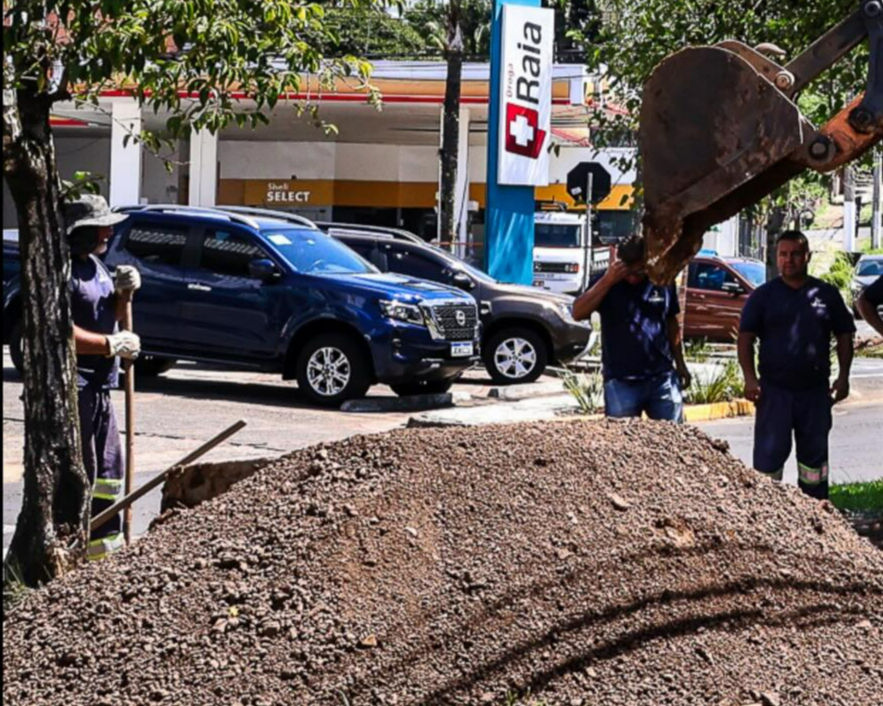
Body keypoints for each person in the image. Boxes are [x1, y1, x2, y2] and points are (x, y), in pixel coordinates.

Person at [738, 230, 854, 500]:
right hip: (773, 394)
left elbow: (845, 334)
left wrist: (844, 376)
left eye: (795, 254)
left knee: (813, 466)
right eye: (783, 254)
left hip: (814, 395)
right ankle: (767, 516)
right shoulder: (763, 296)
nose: (789, 260)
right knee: (767, 466)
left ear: (807, 257)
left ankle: (815, 516)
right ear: (777, 258)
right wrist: (749, 378)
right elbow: (745, 339)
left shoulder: (825, 294)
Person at [65, 194, 142, 560]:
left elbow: (111, 311)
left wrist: (125, 293)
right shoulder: (61, 273)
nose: (109, 232)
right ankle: (79, 556)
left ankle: (106, 559)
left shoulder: (95, 265)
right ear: (81, 231)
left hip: (101, 388)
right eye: (102, 227)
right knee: (86, 474)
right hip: (76, 388)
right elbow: (62, 333)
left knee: (110, 475)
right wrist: (112, 343)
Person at [572, 234, 691, 421]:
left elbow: (671, 323)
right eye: (628, 272)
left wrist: (681, 364)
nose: (633, 278)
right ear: (619, 264)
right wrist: (607, 281)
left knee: (674, 440)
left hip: (661, 377)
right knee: (622, 444)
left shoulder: (661, 282)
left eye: (639, 272)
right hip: (621, 381)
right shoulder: (607, 282)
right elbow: (577, 312)